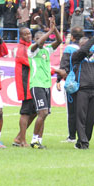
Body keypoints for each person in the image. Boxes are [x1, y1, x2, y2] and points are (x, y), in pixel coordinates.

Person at [28, 18, 63, 149]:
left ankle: (39, 141)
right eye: (38, 37)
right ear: (35, 39)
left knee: (45, 114)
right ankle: (34, 140)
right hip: (36, 85)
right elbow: (39, 42)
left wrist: (55, 29)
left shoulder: (47, 50)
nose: (41, 39)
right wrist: (49, 31)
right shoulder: (31, 51)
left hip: (46, 85)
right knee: (42, 113)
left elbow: (59, 41)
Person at [72, 27, 94, 149]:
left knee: (92, 118)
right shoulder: (77, 56)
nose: (87, 47)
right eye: (84, 45)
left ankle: (82, 140)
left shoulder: (93, 57)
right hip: (82, 90)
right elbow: (83, 50)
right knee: (81, 117)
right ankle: (84, 143)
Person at [58, 27, 85, 143]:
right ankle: (82, 135)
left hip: (72, 83)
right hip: (84, 82)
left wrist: (58, 80)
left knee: (72, 111)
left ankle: (72, 136)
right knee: (82, 111)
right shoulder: (85, 48)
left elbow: (64, 65)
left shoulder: (69, 49)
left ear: (72, 37)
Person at [13, 28, 37, 147]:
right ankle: (22, 140)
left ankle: (19, 137)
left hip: (31, 83)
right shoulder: (21, 49)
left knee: (35, 111)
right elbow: (31, 63)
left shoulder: (29, 47)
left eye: (29, 33)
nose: (28, 35)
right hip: (25, 84)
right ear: (21, 36)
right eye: (25, 34)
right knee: (26, 112)